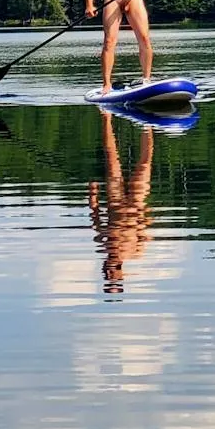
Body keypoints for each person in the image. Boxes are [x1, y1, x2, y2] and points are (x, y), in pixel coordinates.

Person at [88, 110, 154, 294]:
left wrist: (92, 193)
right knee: (146, 162)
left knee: (111, 158)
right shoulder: (136, 251)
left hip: (115, 198)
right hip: (136, 202)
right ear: (121, 273)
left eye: (107, 272)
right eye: (112, 273)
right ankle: (146, 124)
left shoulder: (102, 242)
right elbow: (147, 231)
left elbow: (95, 215)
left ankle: (107, 118)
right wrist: (145, 215)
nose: (110, 269)